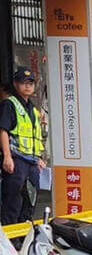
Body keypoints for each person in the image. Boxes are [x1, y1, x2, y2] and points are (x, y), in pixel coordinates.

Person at [0, 67, 47, 226]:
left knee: (30, 200)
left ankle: (23, 237)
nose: (27, 86)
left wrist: (39, 158)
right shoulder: (9, 104)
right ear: (15, 84)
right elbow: (3, 131)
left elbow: (35, 136)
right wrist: (7, 156)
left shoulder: (33, 110)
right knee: (13, 201)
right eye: (23, 83)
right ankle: (10, 242)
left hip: (31, 163)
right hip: (16, 159)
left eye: (30, 83)